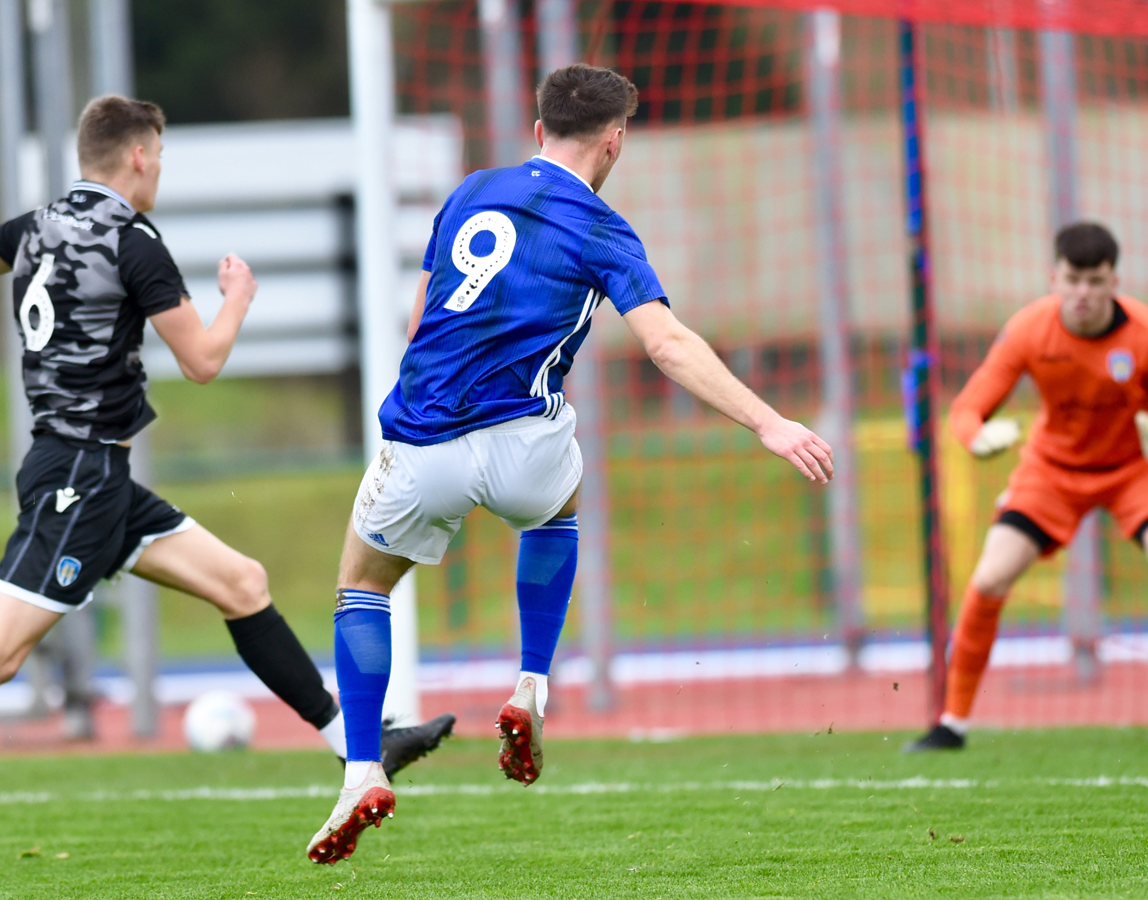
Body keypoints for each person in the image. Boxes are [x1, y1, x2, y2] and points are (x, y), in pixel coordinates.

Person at [0, 95, 454, 865]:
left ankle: (360, 747)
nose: (159, 168)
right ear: (135, 155)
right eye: (158, 154)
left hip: (94, 474)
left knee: (242, 582)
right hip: (81, 478)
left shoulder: (34, 227)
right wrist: (236, 302)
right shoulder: (134, 241)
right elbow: (203, 362)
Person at [304, 64, 835, 864]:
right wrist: (767, 421)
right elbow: (666, 343)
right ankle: (532, 682)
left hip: (422, 439)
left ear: (537, 126)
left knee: (363, 583)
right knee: (558, 501)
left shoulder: (471, 190)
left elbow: (419, 323)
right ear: (615, 139)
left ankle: (363, 772)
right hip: (524, 443)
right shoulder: (602, 229)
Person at [903, 222, 1148, 752]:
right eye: (1073, 280)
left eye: (1095, 280)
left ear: (1115, 280)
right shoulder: (1028, 330)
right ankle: (951, 724)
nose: (1083, 293)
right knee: (990, 577)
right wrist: (976, 438)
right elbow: (967, 408)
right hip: (1053, 470)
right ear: (1054, 279)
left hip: (1134, 470)